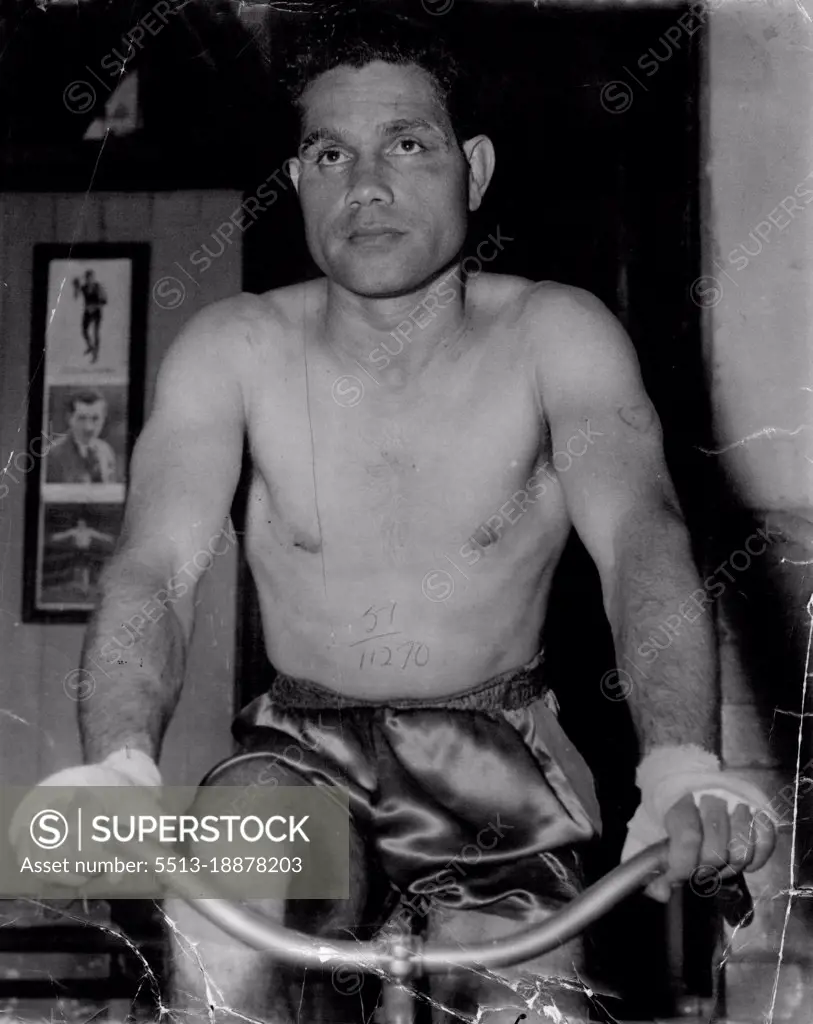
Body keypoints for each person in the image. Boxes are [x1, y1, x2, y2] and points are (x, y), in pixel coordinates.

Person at [13, 11, 777, 1023]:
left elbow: (644, 537)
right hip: (295, 748)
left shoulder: (557, 334)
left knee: (523, 999)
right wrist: (118, 759)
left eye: (405, 145)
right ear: (298, 183)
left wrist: (680, 758)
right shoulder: (233, 346)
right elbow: (153, 565)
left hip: (496, 756)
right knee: (225, 908)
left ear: (475, 167)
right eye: (330, 153)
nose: (364, 186)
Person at [46, 390, 119, 484]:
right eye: (82, 418)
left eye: (95, 418)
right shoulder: (52, 456)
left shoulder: (107, 451)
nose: (89, 427)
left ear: (104, 419)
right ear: (70, 419)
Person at [73, 269, 107, 363]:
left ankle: (95, 355)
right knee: (84, 331)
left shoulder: (98, 287)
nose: (89, 280)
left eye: (91, 278)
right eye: (88, 278)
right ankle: (90, 347)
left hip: (96, 312)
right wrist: (75, 286)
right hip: (88, 312)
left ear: (93, 278)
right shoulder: (84, 287)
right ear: (86, 278)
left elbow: (105, 301)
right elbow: (76, 296)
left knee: (96, 333)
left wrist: (94, 306)